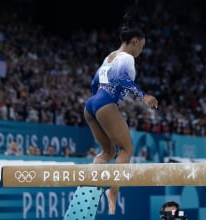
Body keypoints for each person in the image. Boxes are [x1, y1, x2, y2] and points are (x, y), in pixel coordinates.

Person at [84, 9, 158, 214]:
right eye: (141, 47)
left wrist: (96, 103)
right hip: (105, 103)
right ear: (135, 41)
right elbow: (121, 79)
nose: (141, 51)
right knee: (126, 149)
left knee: (108, 152)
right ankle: (113, 191)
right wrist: (143, 95)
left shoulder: (110, 56)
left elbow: (94, 83)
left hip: (91, 105)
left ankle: (93, 188)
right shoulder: (126, 58)